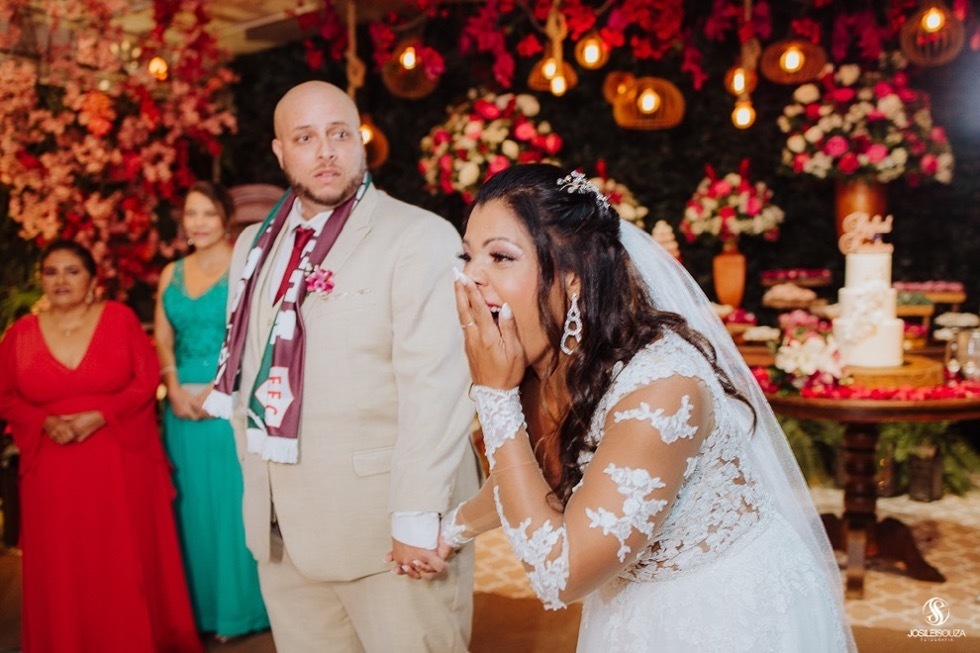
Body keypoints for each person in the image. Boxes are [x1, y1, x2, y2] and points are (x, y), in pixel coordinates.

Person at [430, 164, 856, 652]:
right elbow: (533, 474)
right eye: (468, 256)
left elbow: (560, 574)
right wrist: (450, 531)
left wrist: (494, 395)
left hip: (725, 613)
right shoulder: (550, 359)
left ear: (572, 280)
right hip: (630, 604)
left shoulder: (663, 387)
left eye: (500, 257)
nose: (470, 277)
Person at [202, 80, 479, 652]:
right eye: (305, 138)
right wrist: (260, 484)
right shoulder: (253, 245)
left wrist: (416, 517)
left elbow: (438, 389)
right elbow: (247, 368)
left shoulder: (420, 237)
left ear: (360, 140)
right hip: (282, 533)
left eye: (339, 134)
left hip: (387, 534)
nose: (325, 151)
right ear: (280, 152)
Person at [0, 240, 202, 652]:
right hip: (52, 470)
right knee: (64, 566)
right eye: (52, 271)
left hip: (117, 460)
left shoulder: (119, 319)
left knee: (121, 560)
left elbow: (145, 382)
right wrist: (42, 421)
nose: (61, 280)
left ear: (92, 280)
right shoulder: (20, 334)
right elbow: (5, 396)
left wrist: (101, 415)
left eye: (72, 271)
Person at [154, 181, 269, 640]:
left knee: (231, 505)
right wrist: (172, 386)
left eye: (206, 213)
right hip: (180, 411)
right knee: (191, 510)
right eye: (190, 213)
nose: (197, 222)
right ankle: (197, 612)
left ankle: (240, 613)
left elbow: (253, 334)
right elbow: (163, 338)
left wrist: (218, 389)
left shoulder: (244, 266)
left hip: (230, 404)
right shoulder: (171, 273)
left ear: (225, 218)